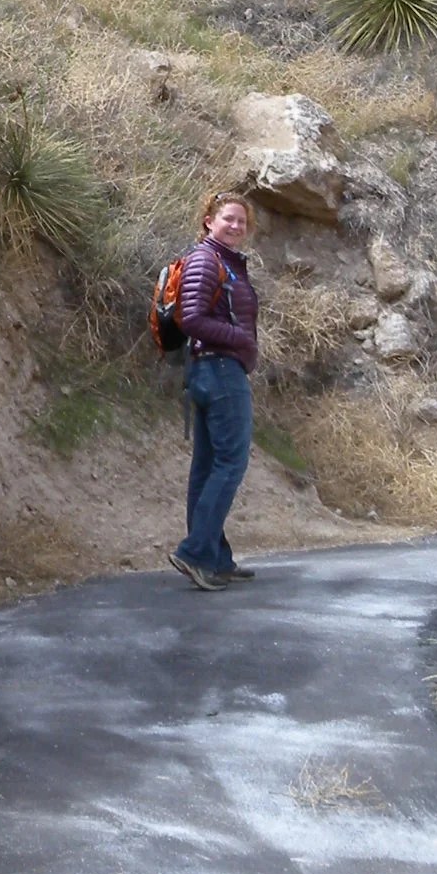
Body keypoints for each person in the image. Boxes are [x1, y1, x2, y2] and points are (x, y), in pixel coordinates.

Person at [168, 189, 259, 591]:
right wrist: (241, 339)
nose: (236, 226)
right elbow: (191, 318)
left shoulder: (222, 261)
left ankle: (216, 558)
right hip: (220, 369)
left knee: (208, 466)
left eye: (242, 221)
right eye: (228, 218)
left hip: (208, 370)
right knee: (230, 463)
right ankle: (195, 552)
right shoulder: (207, 259)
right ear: (209, 220)